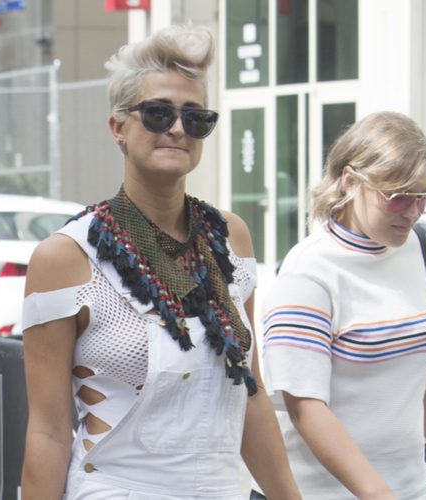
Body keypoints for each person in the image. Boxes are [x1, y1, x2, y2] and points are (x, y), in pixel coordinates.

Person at [20, 24, 300, 499]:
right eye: (156, 113)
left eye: (195, 118)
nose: (176, 128)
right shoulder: (65, 258)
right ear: (118, 128)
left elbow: (249, 394)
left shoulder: (231, 238)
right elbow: (48, 431)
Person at [261, 111, 426, 499]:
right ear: (350, 182)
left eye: (424, 196)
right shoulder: (309, 269)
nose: (414, 211)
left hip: (409, 489)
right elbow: (304, 404)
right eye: (399, 196)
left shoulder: (418, 250)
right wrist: (377, 493)